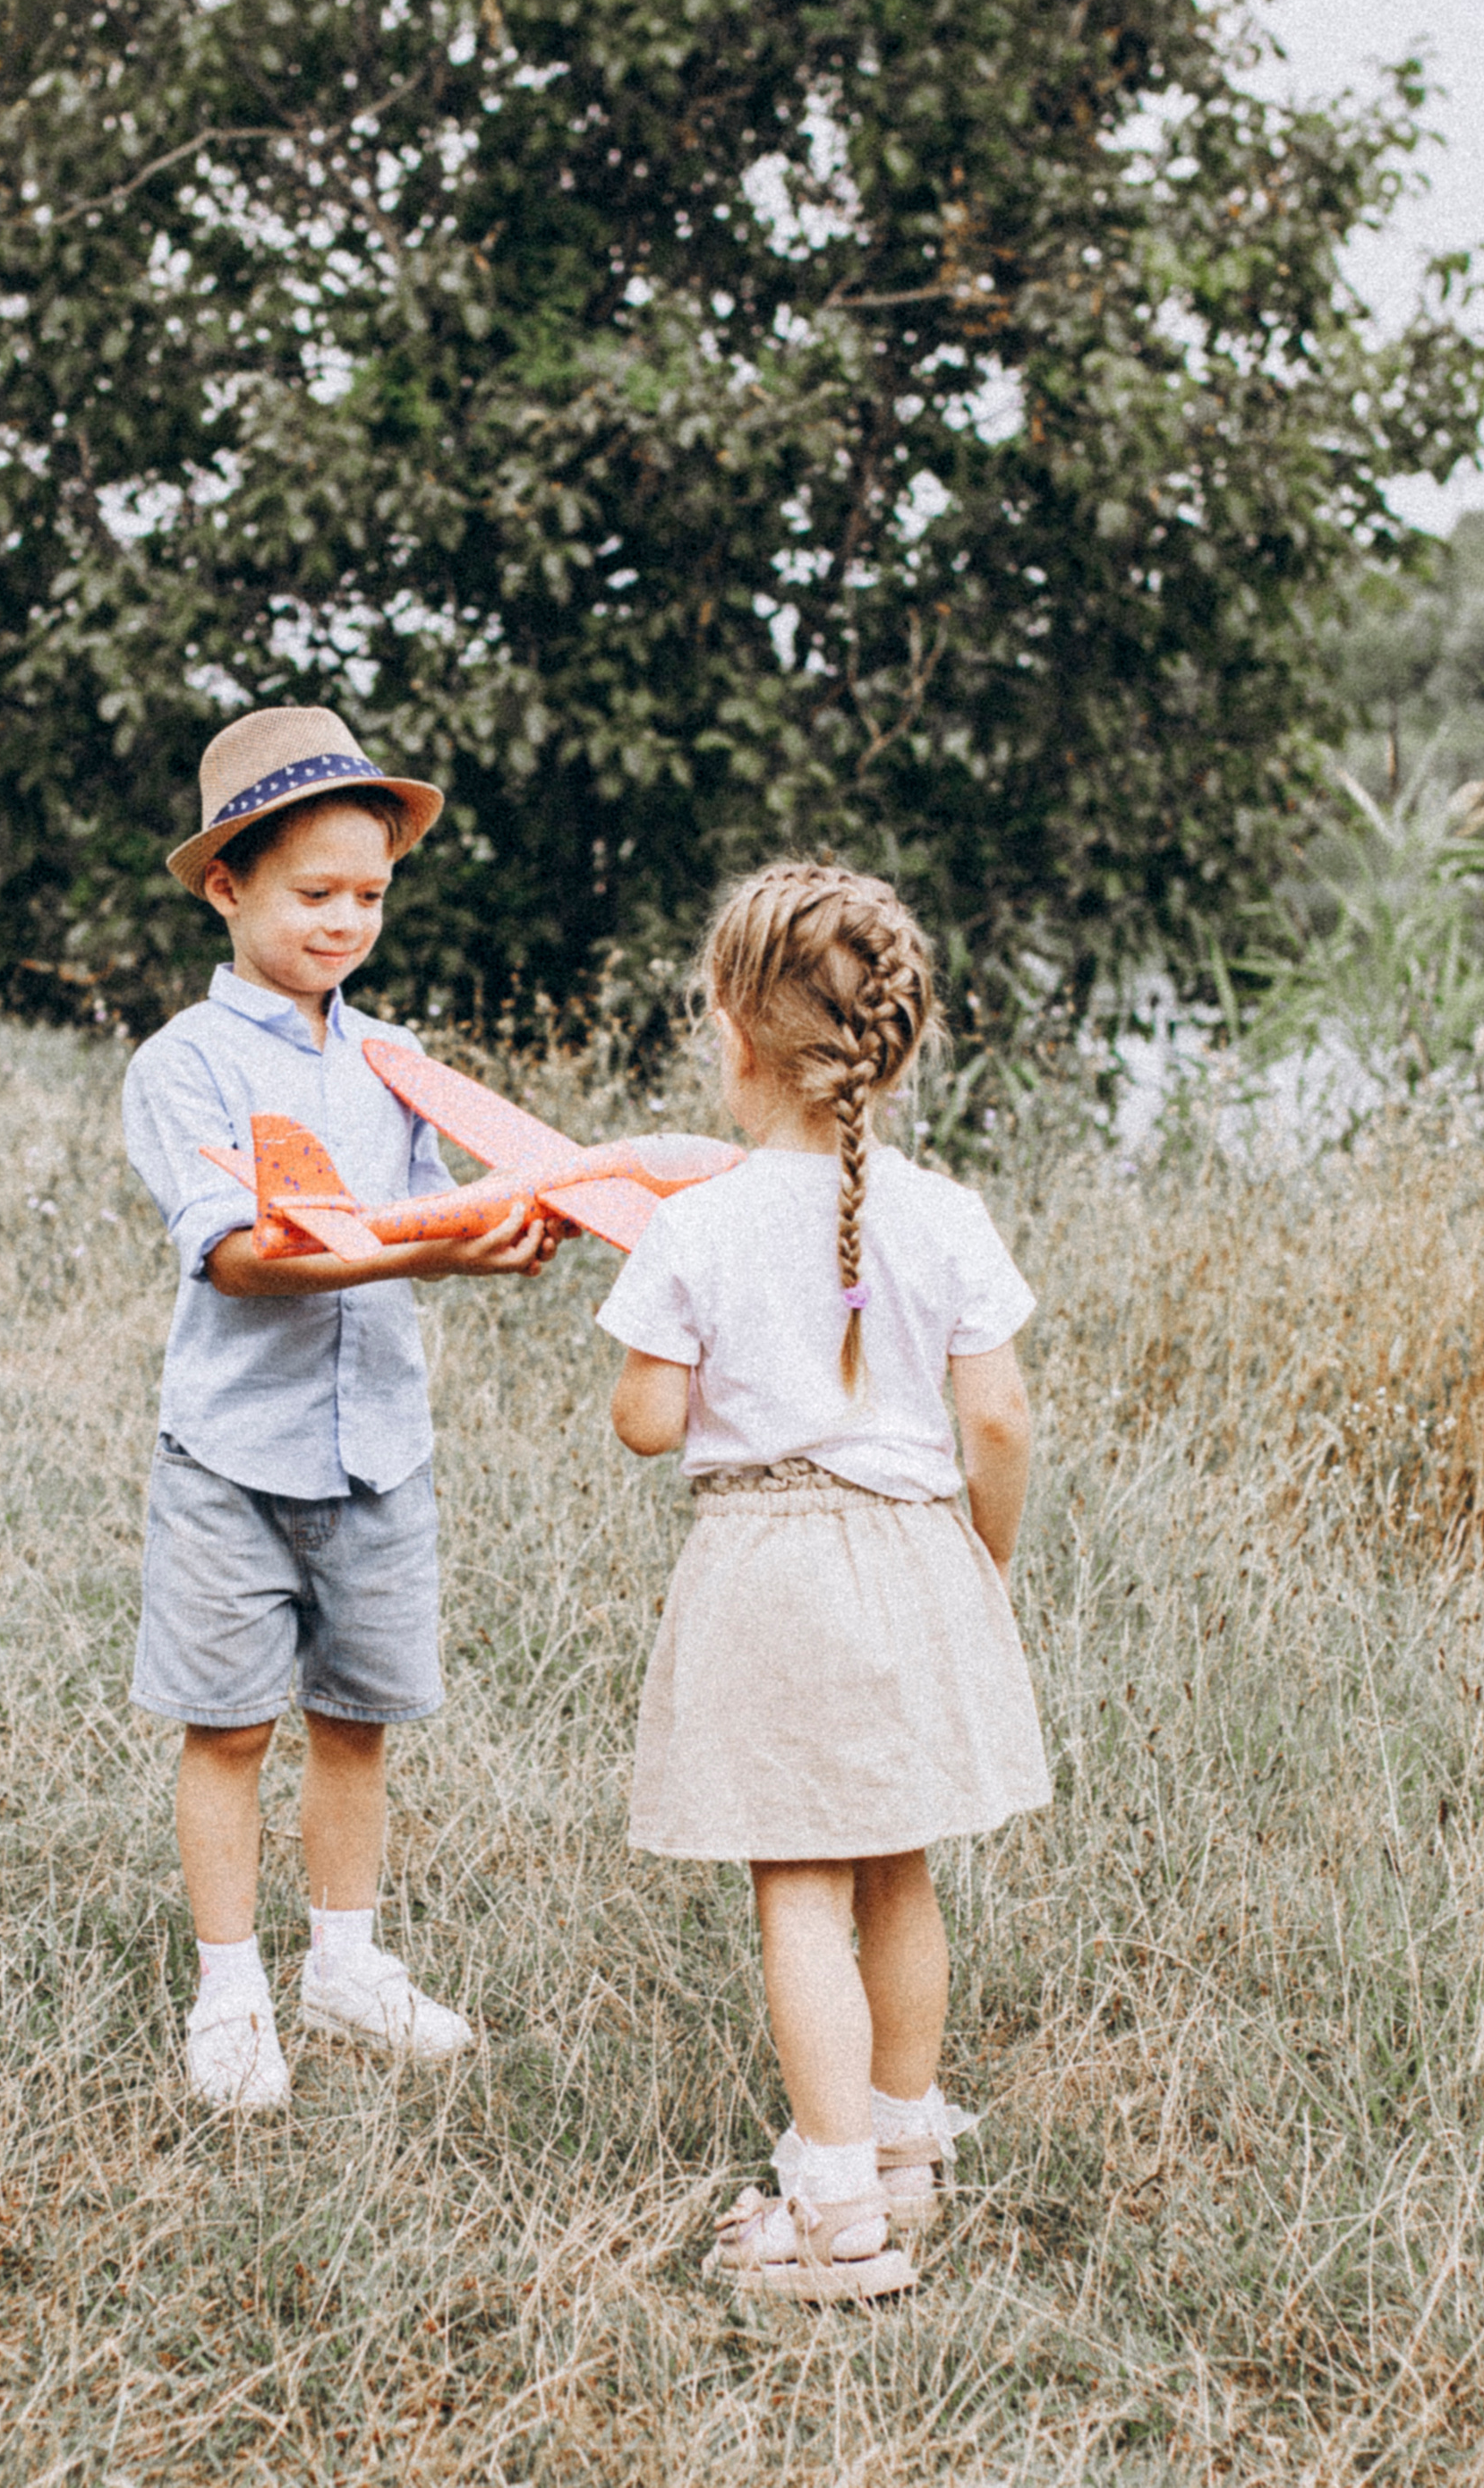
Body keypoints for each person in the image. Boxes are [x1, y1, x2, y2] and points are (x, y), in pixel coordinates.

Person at [601, 859, 1051, 2299]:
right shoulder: (948, 1213)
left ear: (737, 1034)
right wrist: (987, 1549)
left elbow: (650, 1421)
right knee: (899, 1861)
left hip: (776, 1566)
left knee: (799, 1879)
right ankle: (907, 2152)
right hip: (921, 1553)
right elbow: (1000, 1417)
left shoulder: (701, 1220)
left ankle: (836, 2214)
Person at [122, 706, 554, 2111]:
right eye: (314, 894)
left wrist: (502, 1229)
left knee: (358, 1718)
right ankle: (232, 1989)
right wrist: (439, 1241)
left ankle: (347, 1965)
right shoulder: (186, 1064)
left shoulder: (396, 1061)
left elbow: (437, 1220)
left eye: (371, 894)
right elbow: (249, 1258)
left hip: (380, 1453)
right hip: (233, 1456)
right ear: (226, 886)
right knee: (230, 1726)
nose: (346, 921)